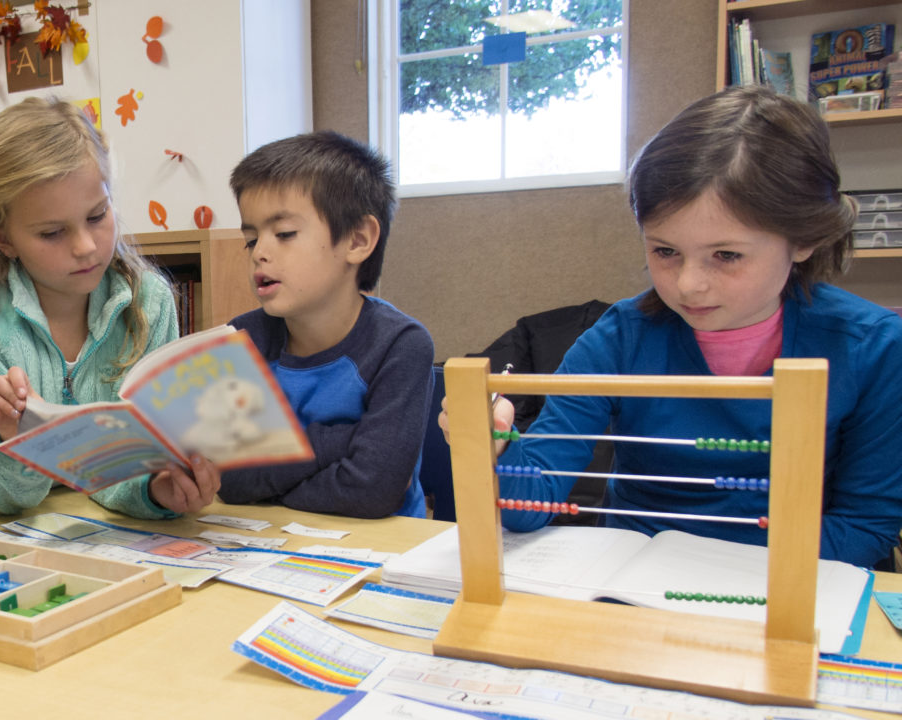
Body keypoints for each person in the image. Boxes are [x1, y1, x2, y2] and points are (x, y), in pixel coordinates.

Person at [442, 85, 902, 569]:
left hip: (783, 593)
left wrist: (714, 567)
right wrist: (497, 448)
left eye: (726, 255)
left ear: (804, 239)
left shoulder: (872, 348)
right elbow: (530, 505)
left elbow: (864, 529)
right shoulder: (618, 337)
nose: (688, 285)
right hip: (629, 590)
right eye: (665, 251)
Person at [0, 97, 220, 518]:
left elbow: (124, 464)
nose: (85, 246)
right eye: (53, 232)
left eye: (97, 215)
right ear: (3, 239)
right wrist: (17, 441)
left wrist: (155, 489)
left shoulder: (148, 302)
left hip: (73, 514)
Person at [216, 131, 435, 519]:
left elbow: (373, 490)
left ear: (357, 239)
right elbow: (231, 482)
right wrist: (344, 442)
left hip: (384, 551)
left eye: (284, 234)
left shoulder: (401, 344)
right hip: (272, 546)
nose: (260, 254)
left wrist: (271, 480)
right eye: (251, 240)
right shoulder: (242, 339)